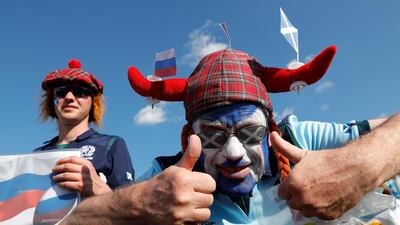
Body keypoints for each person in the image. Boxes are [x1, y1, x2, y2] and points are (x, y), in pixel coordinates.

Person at [35, 59, 135, 197]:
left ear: (94, 102)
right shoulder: (37, 155)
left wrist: (101, 190)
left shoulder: (111, 145)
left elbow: (129, 208)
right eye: (61, 92)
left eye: (80, 92)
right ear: (51, 101)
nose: (69, 97)